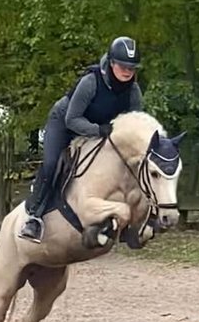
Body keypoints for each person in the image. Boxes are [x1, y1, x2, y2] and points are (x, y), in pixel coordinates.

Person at [19, 36, 143, 242]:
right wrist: (98, 130)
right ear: (112, 62)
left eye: (131, 67)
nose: (127, 71)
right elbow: (72, 119)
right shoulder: (91, 81)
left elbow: (135, 123)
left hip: (99, 130)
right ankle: (34, 217)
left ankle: (129, 221)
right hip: (65, 124)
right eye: (122, 65)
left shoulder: (133, 91)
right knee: (51, 164)